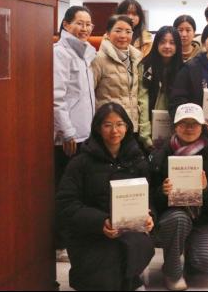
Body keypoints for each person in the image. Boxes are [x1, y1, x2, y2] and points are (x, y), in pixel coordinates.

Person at [56, 103, 155, 291]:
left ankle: (131, 279)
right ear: (98, 128)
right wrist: (101, 222)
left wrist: (150, 217)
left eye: (119, 124)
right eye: (107, 125)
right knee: (104, 274)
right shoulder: (80, 162)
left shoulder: (137, 160)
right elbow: (66, 204)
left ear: (127, 127)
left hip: (129, 231)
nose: (114, 131)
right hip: (90, 233)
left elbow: (148, 199)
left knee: (136, 247)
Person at [150, 104, 208, 291]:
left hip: (202, 219)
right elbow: (150, 199)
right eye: (183, 123)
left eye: (194, 124)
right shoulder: (160, 154)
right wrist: (162, 192)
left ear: (202, 127)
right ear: (175, 126)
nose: (189, 128)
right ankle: (172, 273)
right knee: (178, 219)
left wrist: (207, 188)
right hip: (173, 218)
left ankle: (188, 255)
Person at [53, 5, 97, 262]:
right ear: (66, 25)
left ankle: (74, 240)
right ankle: (60, 244)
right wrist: (67, 133)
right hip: (69, 138)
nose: (85, 28)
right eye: (79, 23)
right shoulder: (60, 53)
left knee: (79, 191)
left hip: (84, 134)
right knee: (65, 192)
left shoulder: (84, 53)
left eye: (89, 24)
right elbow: (57, 98)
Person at [92, 15, 143, 136]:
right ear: (108, 34)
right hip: (108, 127)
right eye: (118, 31)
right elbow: (88, 94)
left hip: (131, 125)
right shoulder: (98, 59)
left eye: (128, 31)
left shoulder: (137, 58)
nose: (123, 36)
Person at [137, 26, 183, 151]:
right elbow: (142, 100)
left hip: (174, 129)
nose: (167, 46)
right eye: (162, 42)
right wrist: (145, 133)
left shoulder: (183, 69)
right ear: (156, 43)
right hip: (148, 126)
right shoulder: (145, 66)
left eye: (172, 43)